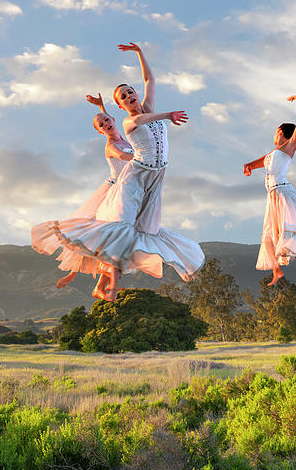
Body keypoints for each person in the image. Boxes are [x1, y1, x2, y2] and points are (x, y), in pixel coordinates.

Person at [34, 42, 204, 300]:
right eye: (122, 97)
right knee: (122, 228)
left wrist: (139, 53)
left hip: (156, 179)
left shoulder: (146, 108)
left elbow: (150, 79)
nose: (128, 96)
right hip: (134, 176)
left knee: (147, 231)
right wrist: (167, 114)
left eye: (130, 92)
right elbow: (136, 123)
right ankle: (108, 287)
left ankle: (104, 284)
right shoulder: (129, 121)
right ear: (121, 106)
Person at [30, 94, 133, 299]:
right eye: (101, 125)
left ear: (113, 120)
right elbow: (127, 157)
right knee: (97, 235)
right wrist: (148, 154)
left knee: (111, 240)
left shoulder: (118, 132)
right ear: (99, 131)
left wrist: (101, 106)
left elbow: (107, 118)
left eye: (107, 120)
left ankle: (100, 284)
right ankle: (90, 281)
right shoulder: (112, 147)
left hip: (126, 192)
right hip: (112, 193)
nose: (106, 124)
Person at [243, 95, 296, 288]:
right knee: (271, 232)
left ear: (281, 132)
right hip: (272, 197)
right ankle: (277, 270)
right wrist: (248, 165)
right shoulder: (273, 153)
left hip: (283, 194)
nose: (274, 134)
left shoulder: (289, 147)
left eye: (275, 131)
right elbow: (262, 160)